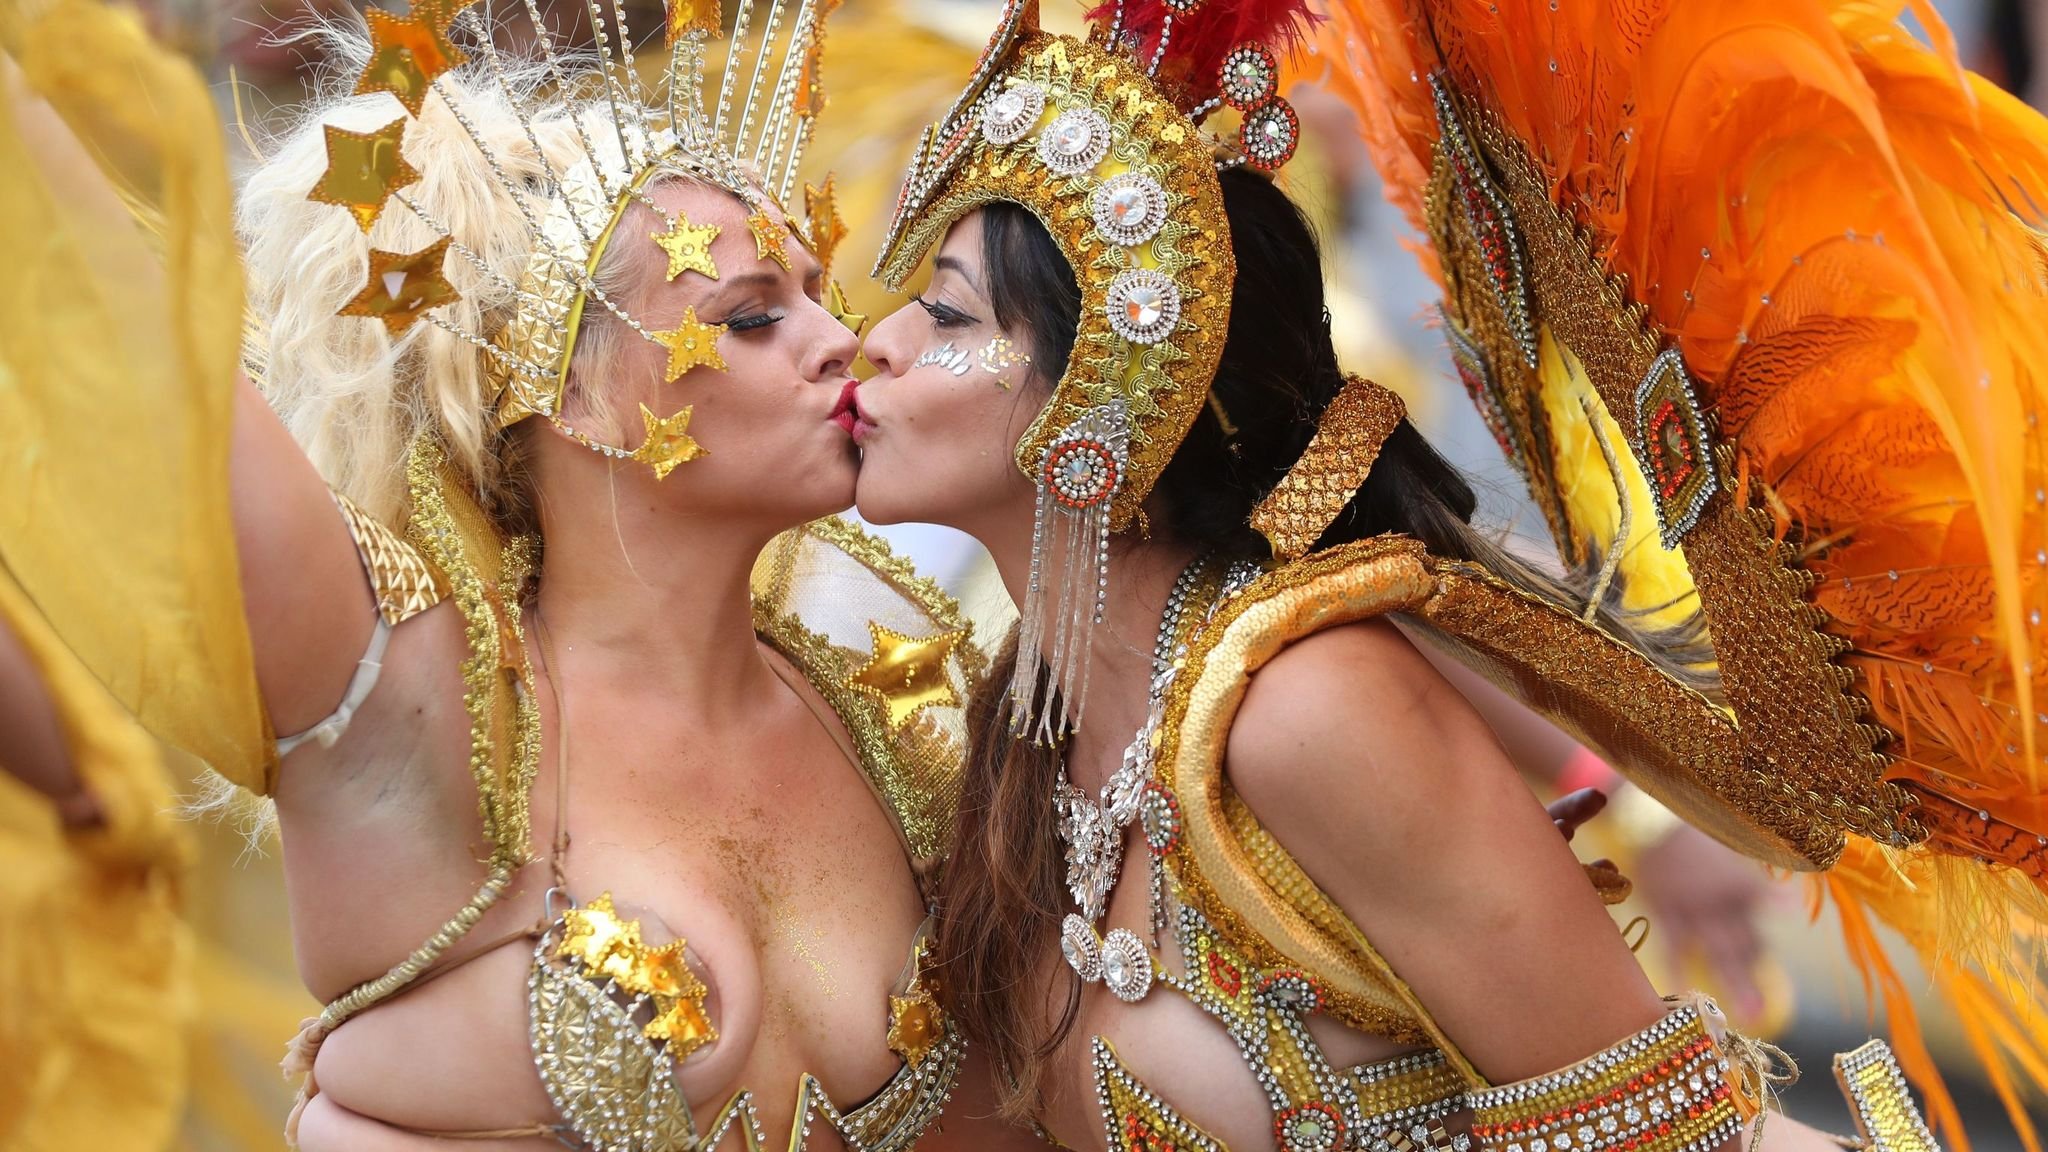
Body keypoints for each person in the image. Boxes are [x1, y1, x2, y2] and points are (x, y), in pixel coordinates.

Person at [848, 0, 2048, 1148]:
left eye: (947, 316)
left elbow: (1666, 1139)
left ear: (1104, 395)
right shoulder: (1024, 731)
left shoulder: (1298, 712)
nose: (877, 343)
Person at [0, 2, 1011, 1147]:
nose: (837, 341)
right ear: (572, 396)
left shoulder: (893, 704)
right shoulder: (422, 710)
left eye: (818, 296)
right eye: (750, 317)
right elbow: (124, 333)